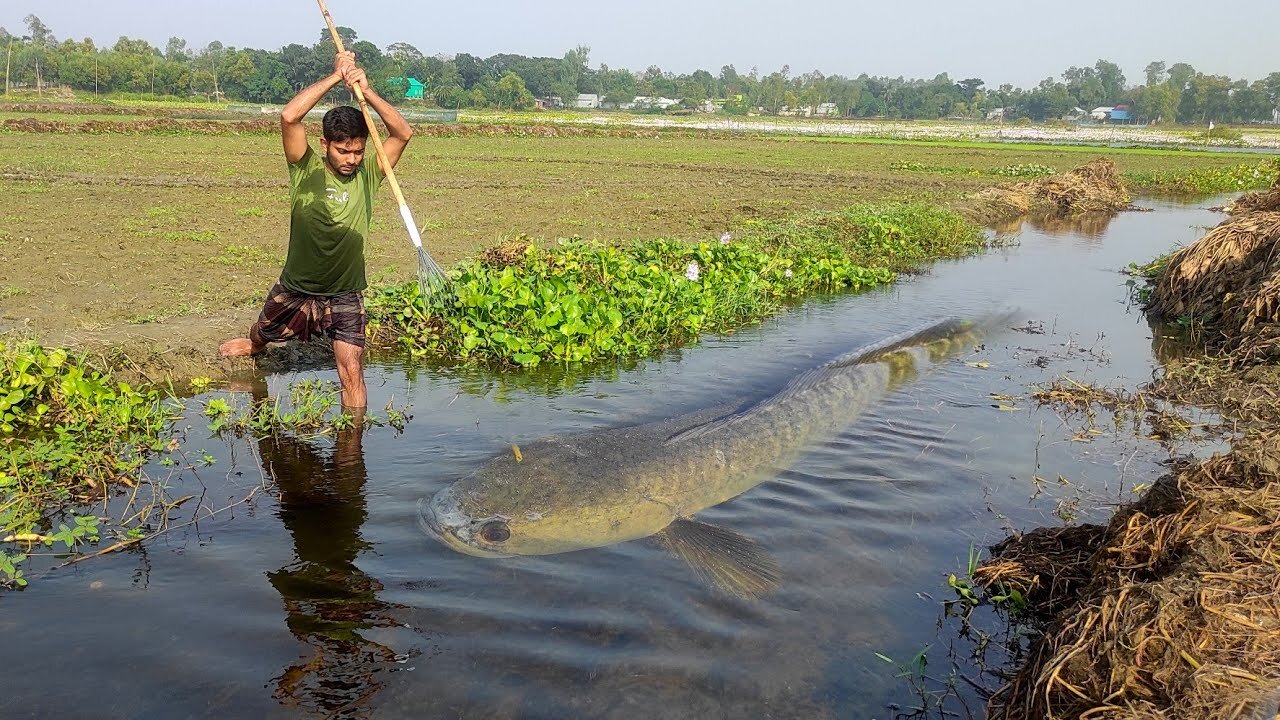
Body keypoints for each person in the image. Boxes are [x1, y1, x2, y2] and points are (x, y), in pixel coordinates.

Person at [220, 50, 413, 409]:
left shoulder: (369, 174)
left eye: (357, 151)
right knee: (262, 332)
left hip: (345, 291)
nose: (351, 159)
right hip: (297, 286)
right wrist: (336, 77)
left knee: (351, 371)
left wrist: (365, 90)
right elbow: (289, 116)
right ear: (324, 144)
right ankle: (256, 345)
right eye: (343, 151)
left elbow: (402, 132)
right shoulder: (304, 168)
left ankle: (351, 456)